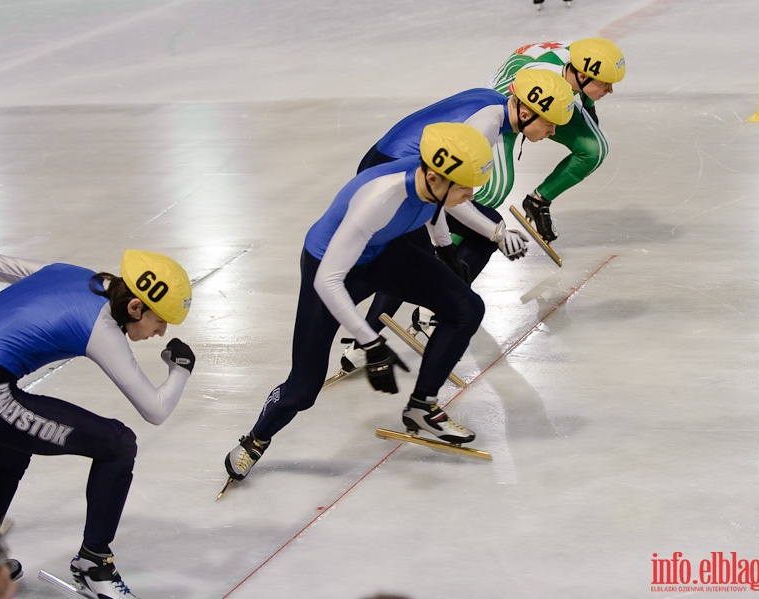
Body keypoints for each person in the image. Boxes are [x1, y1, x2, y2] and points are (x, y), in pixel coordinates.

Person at [224, 123, 495, 483]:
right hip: (333, 267)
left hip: (384, 251)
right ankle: (255, 439)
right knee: (304, 388)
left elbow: (440, 208)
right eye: (465, 187)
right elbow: (328, 281)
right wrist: (371, 342)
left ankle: (421, 407)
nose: (470, 194)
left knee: (466, 308)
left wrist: (444, 248)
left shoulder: (433, 185)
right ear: (434, 177)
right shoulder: (381, 197)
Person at [0, 250, 196, 599]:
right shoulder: (103, 328)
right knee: (118, 444)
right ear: (135, 308)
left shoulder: (73, 273)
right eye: (160, 320)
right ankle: (94, 563)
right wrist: (181, 369)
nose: (162, 331)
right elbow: (154, 410)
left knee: (11, 457)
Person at [339, 68, 575, 370]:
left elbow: (445, 196)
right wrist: (497, 234)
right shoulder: (486, 126)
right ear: (527, 112)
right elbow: (448, 200)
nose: (552, 132)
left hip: (392, 167)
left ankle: (427, 314)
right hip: (393, 177)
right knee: (417, 256)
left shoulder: (495, 104)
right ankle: (365, 340)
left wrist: (450, 248)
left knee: (459, 237)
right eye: (550, 123)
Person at [487, 38, 626, 243]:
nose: (610, 90)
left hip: (551, 94)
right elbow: (497, 96)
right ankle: (449, 241)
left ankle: (538, 201)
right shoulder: (543, 73)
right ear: (582, 75)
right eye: (605, 83)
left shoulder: (580, 62)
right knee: (497, 189)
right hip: (506, 99)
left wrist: (589, 105)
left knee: (594, 149)